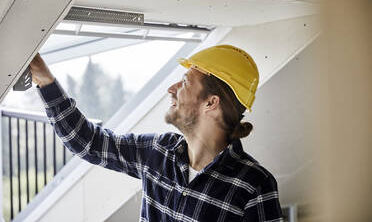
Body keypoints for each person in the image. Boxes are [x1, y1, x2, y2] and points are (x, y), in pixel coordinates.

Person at [30, 45, 283, 221]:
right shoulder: (158, 152)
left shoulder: (254, 185)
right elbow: (89, 143)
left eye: (184, 82)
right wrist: (45, 80)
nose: (171, 89)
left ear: (211, 103)